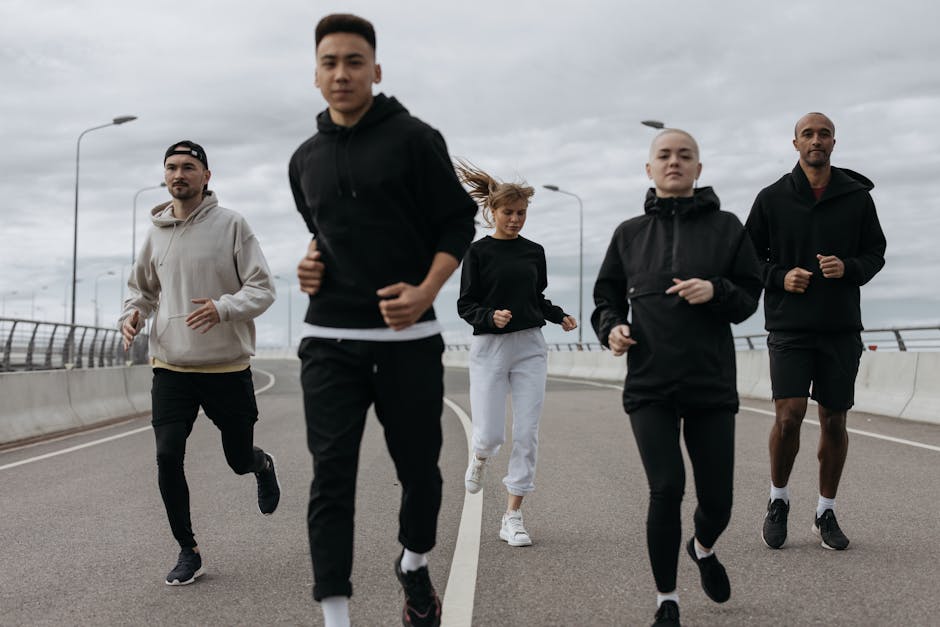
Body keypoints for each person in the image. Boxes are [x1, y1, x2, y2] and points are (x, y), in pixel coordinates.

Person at [289, 14, 477, 627]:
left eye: (353, 61)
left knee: (420, 472)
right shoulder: (304, 158)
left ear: (375, 70)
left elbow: (457, 222)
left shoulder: (416, 140)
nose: (341, 73)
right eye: (329, 63)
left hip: (408, 338)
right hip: (328, 336)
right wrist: (310, 264)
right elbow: (324, 231)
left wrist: (425, 292)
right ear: (316, 74)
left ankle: (415, 563)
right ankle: (336, 615)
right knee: (331, 477)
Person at [592, 129, 762, 626]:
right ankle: (667, 600)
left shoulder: (727, 228)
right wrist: (612, 328)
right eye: (664, 155)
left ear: (698, 169)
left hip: (710, 383)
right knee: (666, 488)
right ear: (649, 169)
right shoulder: (628, 233)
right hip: (650, 384)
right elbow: (606, 298)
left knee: (718, 503)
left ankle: (703, 547)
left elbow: (749, 297)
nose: (674, 162)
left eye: (684, 155)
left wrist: (716, 291)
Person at [120, 140, 280, 586]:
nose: (179, 174)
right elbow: (141, 291)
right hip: (171, 366)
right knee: (167, 455)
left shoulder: (233, 225)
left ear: (206, 176)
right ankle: (188, 550)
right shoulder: (156, 234)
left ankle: (262, 465)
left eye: (189, 167)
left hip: (226, 367)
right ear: (165, 176)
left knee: (238, 458)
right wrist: (132, 316)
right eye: (172, 167)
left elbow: (263, 289)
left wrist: (223, 308)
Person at [746, 112, 886, 552]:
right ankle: (778, 500)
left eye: (824, 134)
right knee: (788, 416)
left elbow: (876, 252)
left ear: (833, 143)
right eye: (807, 134)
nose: (816, 140)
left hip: (840, 327)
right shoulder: (772, 198)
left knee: (835, 420)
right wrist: (779, 276)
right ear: (795, 144)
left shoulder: (857, 197)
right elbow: (747, 258)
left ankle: (825, 510)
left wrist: (850, 268)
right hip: (789, 325)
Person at [454, 160, 577, 548]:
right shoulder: (477, 253)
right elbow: (465, 304)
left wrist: (559, 316)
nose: (515, 219)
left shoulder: (534, 252)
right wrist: (490, 316)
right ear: (493, 211)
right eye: (508, 212)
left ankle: (513, 516)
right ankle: (479, 456)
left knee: (527, 432)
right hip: (490, 347)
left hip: (530, 347)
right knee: (491, 434)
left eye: (521, 213)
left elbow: (536, 298)